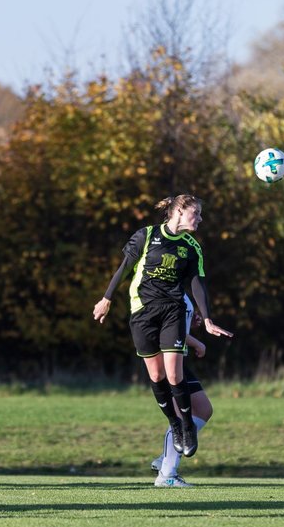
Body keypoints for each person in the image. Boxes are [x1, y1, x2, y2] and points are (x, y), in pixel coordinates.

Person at [93, 194, 232, 462]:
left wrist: (208, 319)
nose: (200, 218)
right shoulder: (146, 236)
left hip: (173, 311)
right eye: (197, 213)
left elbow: (197, 284)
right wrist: (106, 298)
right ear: (179, 211)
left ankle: (188, 426)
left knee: (174, 374)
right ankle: (176, 424)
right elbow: (125, 268)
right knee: (156, 376)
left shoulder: (192, 247)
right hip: (143, 312)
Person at [150, 294, 213, 487]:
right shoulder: (162, 289)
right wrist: (197, 343)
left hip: (180, 362)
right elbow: (165, 331)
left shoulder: (182, 292)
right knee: (179, 416)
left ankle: (166, 457)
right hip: (167, 362)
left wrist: (190, 320)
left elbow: (178, 327)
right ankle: (167, 475)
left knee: (203, 409)